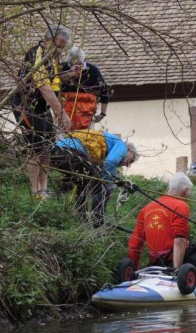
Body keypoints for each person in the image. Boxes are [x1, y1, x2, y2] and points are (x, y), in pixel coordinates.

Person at [12, 24, 72, 199]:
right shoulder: (36, 55)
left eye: (63, 45)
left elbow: (54, 82)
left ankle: (43, 188)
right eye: (59, 44)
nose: (61, 48)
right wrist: (61, 113)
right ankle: (34, 191)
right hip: (26, 107)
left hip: (42, 108)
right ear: (48, 39)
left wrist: (71, 75)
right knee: (37, 148)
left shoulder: (52, 58)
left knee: (48, 147)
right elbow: (44, 87)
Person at [128, 172, 196, 282]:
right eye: (189, 193)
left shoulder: (146, 209)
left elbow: (134, 244)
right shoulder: (181, 205)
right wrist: (177, 272)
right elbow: (179, 240)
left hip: (155, 264)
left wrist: (134, 270)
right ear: (186, 190)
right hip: (171, 266)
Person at [50, 130, 139, 227]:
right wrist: (109, 186)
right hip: (71, 152)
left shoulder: (103, 149)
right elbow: (109, 164)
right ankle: (98, 222)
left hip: (56, 152)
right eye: (132, 159)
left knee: (83, 183)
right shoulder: (122, 146)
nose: (128, 165)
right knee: (102, 188)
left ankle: (82, 217)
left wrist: (118, 181)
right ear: (129, 150)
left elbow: (102, 169)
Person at [61, 46, 111, 130]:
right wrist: (70, 74)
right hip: (65, 116)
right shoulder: (63, 69)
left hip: (87, 117)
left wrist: (103, 113)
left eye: (79, 64)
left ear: (83, 61)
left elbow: (104, 91)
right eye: (72, 64)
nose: (76, 66)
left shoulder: (92, 70)